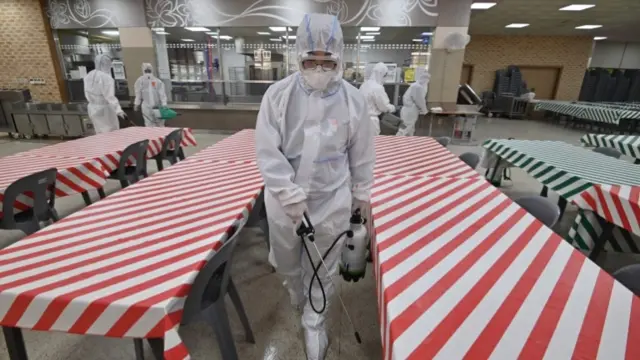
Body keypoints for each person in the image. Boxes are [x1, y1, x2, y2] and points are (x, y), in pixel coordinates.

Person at [255, 13, 375, 360]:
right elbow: (267, 152)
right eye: (311, 60)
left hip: (332, 198)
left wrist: (361, 195)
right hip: (283, 200)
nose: (319, 68)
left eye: (327, 61)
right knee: (289, 261)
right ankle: (295, 292)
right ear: (299, 57)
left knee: (324, 263)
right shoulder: (277, 96)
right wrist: (291, 200)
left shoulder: (353, 100)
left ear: (340, 58)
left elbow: (362, 153)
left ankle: (314, 319)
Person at [84, 54, 126, 133]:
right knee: (111, 131)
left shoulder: (88, 75)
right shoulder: (106, 77)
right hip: (104, 108)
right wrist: (119, 110)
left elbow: (87, 92)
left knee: (99, 131)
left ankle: (103, 145)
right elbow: (110, 96)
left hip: (92, 108)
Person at [359, 62, 395, 135]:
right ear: (381, 74)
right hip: (371, 122)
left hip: (360, 120)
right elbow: (383, 106)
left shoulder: (364, 85)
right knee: (373, 143)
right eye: (385, 75)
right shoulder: (378, 88)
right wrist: (392, 108)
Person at [134, 63, 168, 127]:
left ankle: (158, 136)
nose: (147, 73)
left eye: (148, 71)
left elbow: (162, 94)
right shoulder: (140, 81)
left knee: (157, 124)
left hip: (156, 106)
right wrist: (136, 104)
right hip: (149, 107)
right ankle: (155, 136)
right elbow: (138, 94)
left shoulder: (156, 81)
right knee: (152, 124)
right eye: (146, 71)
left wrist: (164, 104)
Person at [397, 71, 430, 136]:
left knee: (410, 130)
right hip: (410, 111)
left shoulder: (416, 85)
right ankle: (397, 144)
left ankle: (407, 144)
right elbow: (420, 100)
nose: (427, 80)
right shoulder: (417, 87)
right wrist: (424, 110)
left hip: (409, 110)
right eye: (426, 77)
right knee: (404, 129)